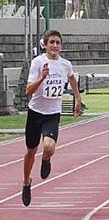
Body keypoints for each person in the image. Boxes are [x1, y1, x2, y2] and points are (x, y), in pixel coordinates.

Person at [22, 30, 82, 206]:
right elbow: (28, 91)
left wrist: (77, 99)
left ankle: (46, 159)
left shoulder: (65, 64)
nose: (55, 46)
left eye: (58, 42)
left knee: (49, 147)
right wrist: (42, 77)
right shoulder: (38, 62)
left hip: (52, 114)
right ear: (45, 44)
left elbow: (72, 78)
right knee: (31, 151)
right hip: (35, 113)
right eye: (52, 42)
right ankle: (26, 182)